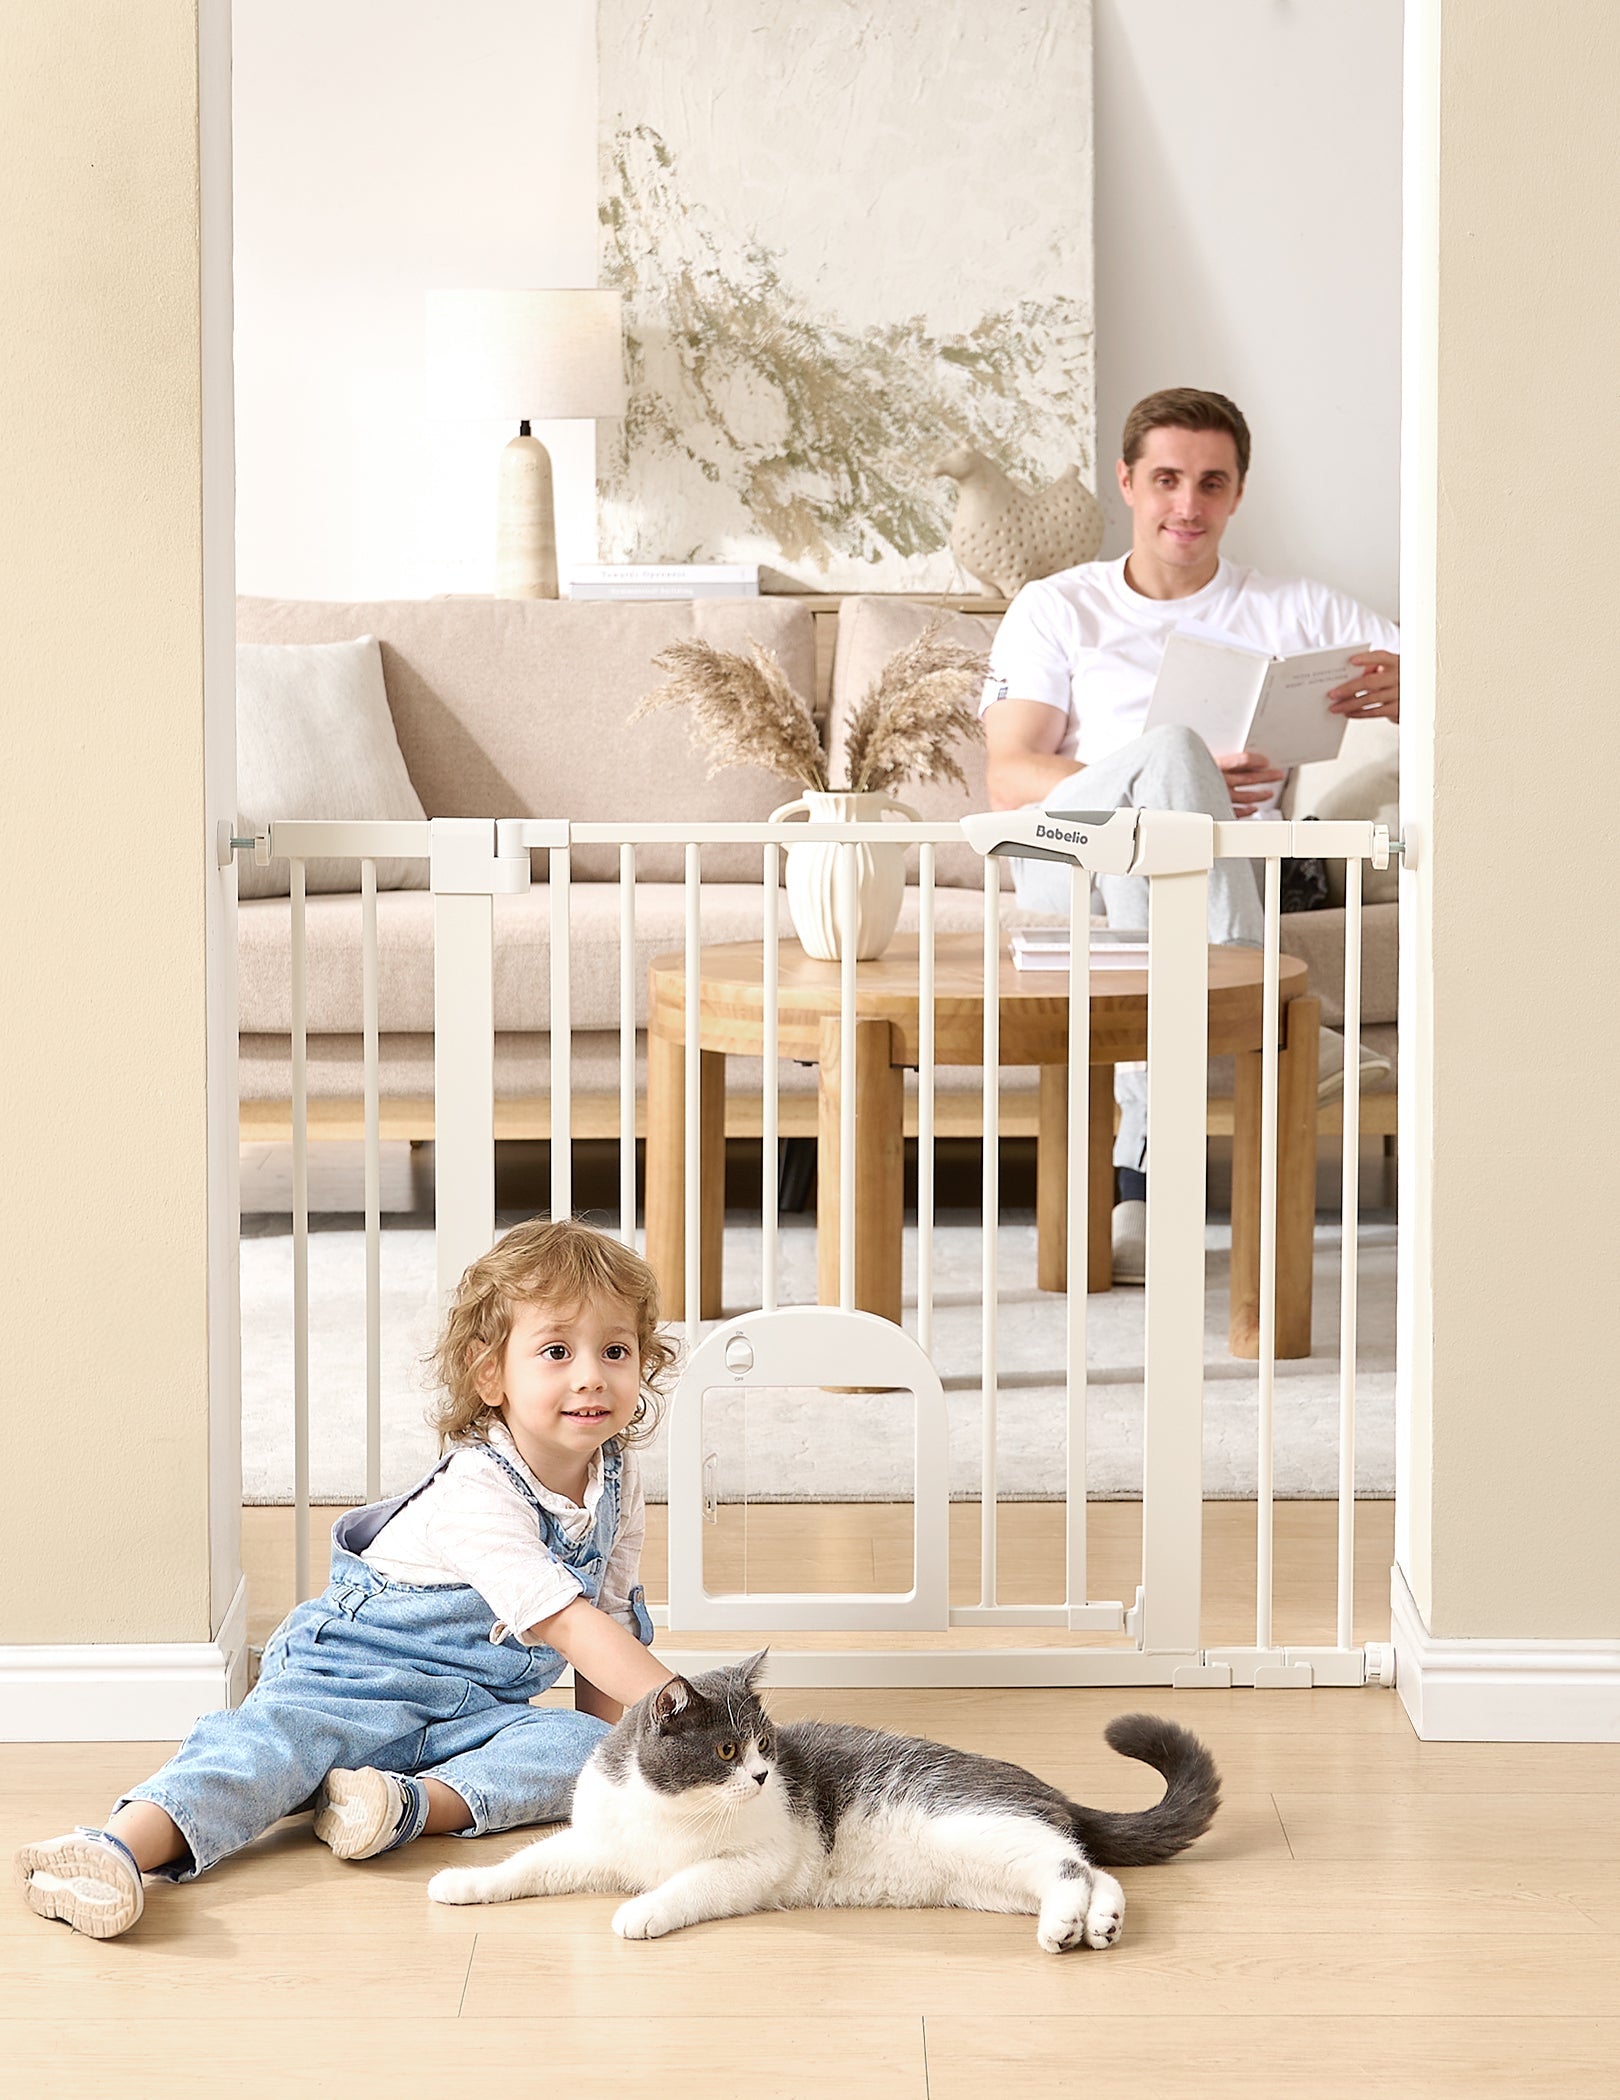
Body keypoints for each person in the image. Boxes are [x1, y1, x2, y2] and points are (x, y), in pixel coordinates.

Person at [16, 1218, 677, 1940]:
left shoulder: (619, 1475)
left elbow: (607, 1627)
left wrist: (628, 1768)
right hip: (355, 1677)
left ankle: (397, 1804)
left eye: (615, 1350)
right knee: (269, 1750)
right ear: (491, 1374)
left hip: (471, 1712)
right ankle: (108, 1850)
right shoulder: (477, 1492)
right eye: (556, 1351)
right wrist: (695, 1720)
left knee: (589, 1754)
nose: (591, 1374)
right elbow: (570, 1626)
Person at [981, 386, 1401, 1280]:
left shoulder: (1294, 610)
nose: (1188, 505)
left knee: (1163, 873)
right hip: (1071, 857)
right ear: (1127, 483)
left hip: (1223, 869)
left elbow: (1459, 677)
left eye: (1211, 483)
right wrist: (1169, 771)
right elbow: (1011, 771)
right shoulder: (1059, 607)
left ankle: (1143, 1188)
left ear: (1238, 494)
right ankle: (1275, 1017)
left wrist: (1422, 697)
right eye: (1167, 479)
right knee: (1171, 754)